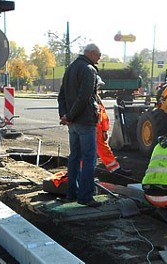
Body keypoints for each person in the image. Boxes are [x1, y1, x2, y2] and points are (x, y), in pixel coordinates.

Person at [57, 43, 103, 207]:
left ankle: (71, 193)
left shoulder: (70, 69)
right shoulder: (89, 70)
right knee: (89, 159)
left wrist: (65, 115)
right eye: (98, 55)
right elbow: (84, 98)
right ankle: (85, 197)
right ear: (91, 53)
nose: (99, 58)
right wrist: (69, 115)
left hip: (73, 123)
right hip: (85, 122)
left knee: (74, 158)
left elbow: (61, 96)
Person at [95, 75, 132, 176]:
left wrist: (104, 130)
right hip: (93, 129)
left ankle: (115, 169)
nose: (98, 89)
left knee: (99, 151)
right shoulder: (92, 98)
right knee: (92, 152)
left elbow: (103, 116)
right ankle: (115, 169)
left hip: (97, 129)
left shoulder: (95, 98)